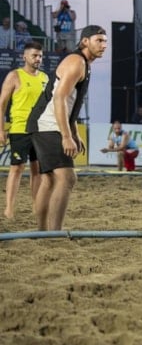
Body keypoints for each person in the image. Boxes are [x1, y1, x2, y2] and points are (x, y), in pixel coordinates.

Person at [27, 25, 108, 231]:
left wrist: (74, 132)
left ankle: (43, 232)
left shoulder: (84, 64)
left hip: (44, 123)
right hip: (47, 123)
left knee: (49, 180)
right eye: (99, 40)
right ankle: (53, 234)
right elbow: (59, 99)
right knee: (67, 178)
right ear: (85, 41)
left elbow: (71, 103)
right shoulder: (76, 62)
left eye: (105, 41)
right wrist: (66, 136)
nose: (104, 45)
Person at [0, 42, 47, 219]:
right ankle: (9, 209)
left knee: (37, 169)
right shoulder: (14, 76)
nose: (38, 59)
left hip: (40, 130)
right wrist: (1, 130)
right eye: (34, 55)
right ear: (24, 57)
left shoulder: (45, 78)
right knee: (17, 168)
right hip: (20, 129)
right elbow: (2, 104)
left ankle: (36, 207)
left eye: (40, 56)